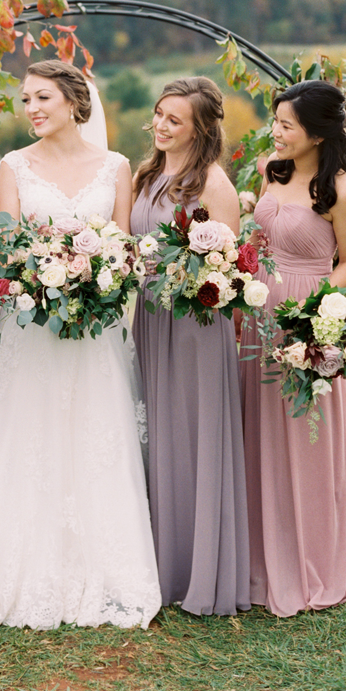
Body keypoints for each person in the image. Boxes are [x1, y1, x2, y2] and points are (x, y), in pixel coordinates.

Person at [0, 60, 161, 629]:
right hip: (32, 328)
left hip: (95, 332)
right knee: (26, 439)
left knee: (95, 437)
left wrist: (98, 275)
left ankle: (101, 570)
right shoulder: (13, 166)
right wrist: (46, 274)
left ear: (76, 101)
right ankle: (14, 569)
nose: (30, 109)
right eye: (25, 99)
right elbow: (8, 250)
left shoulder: (118, 166)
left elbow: (124, 249)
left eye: (42, 98)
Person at [240, 79, 346, 617]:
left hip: (305, 321)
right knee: (257, 431)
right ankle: (259, 558)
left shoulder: (342, 192)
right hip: (256, 314)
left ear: (317, 133)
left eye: (287, 124)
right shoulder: (273, 169)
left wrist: (316, 314)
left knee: (305, 439)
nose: (277, 132)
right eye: (276, 121)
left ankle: (312, 560)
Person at [131, 77, 250, 616]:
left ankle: (201, 571)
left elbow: (228, 272)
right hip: (153, 321)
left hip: (197, 324)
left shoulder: (213, 184)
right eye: (158, 114)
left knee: (194, 433)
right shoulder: (147, 175)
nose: (160, 125)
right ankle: (160, 563)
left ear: (200, 128)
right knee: (157, 432)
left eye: (173, 120)